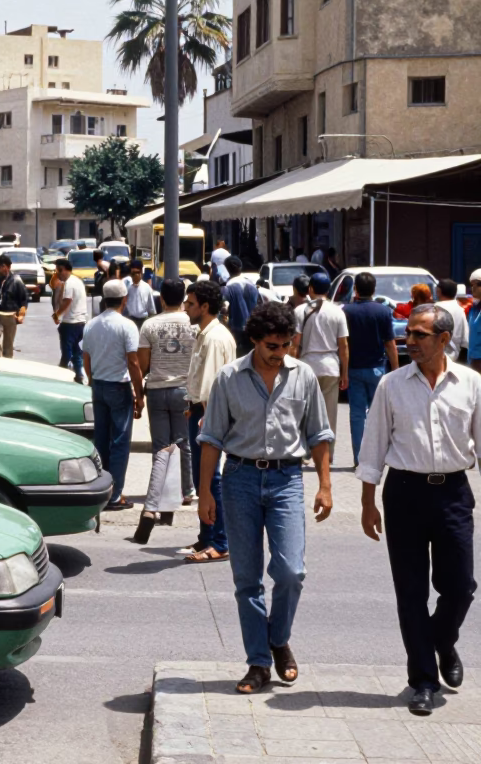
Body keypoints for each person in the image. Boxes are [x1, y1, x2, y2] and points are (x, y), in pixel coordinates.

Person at [198, 302, 334, 694]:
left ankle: (278, 639)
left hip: (286, 479)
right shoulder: (229, 377)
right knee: (247, 579)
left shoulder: (303, 375)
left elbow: (319, 434)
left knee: (292, 572)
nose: (281, 352)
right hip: (238, 478)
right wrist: (206, 492)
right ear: (255, 340)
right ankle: (258, 662)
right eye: (273, 345)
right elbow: (211, 439)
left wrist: (325, 485)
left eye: (287, 344)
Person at [358, 304, 480, 716]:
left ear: (444, 340)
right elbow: (373, 444)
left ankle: (442, 643)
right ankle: (423, 680)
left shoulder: (470, 384)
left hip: (453, 493)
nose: (409, 341)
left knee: (461, 586)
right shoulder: (391, 385)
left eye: (419, 335)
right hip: (405, 493)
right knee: (411, 592)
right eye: (408, 333)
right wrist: (367, 503)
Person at [83, 280, 145, 511]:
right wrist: (139, 395)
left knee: (101, 439)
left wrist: (92, 381)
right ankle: (115, 494)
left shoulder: (91, 325)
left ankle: (102, 488)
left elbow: (86, 359)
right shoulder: (127, 326)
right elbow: (133, 361)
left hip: (98, 385)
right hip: (118, 386)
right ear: (124, 299)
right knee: (119, 441)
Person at [184, 280, 235, 562]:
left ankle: (220, 541)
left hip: (209, 415)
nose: (186, 307)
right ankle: (207, 536)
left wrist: (204, 415)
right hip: (200, 411)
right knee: (201, 477)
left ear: (205, 306)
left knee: (211, 478)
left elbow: (213, 386)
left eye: (191, 303)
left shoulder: (215, 338)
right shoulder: (204, 334)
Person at [137, 278, 194, 526]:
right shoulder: (193, 324)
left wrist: (138, 391)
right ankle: (187, 490)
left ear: (161, 298)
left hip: (158, 390)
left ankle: (158, 495)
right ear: (184, 298)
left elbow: (142, 363)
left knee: (160, 447)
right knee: (184, 443)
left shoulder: (149, 325)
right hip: (184, 390)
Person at [343, 271, 399, 468]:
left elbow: (343, 344)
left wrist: (343, 370)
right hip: (377, 369)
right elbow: (390, 343)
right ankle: (380, 457)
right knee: (381, 415)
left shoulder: (346, 311)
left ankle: (360, 459)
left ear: (355, 289)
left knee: (357, 414)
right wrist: (396, 368)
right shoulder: (383, 312)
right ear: (374, 290)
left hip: (354, 369)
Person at [293, 272, 349, 464]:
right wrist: (344, 372)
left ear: (310, 289)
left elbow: (295, 343)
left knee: (304, 411)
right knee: (329, 414)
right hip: (330, 367)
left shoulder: (300, 311)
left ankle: (304, 452)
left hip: (306, 367)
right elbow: (343, 346)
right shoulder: (337, 312)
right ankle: (327, 454)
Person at [0, 253, 28, 358]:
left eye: (0, 266)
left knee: (8, 345)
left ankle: (7, 366)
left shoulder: (16, 281)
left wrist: (21, 315)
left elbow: (24, 300)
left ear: (6, 266)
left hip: (11, 317)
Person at [52, 258, 88, 382]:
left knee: (67, 351)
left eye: (60, 270)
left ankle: (61, 373)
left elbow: (67, 301)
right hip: (79, 322)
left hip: (71, 323)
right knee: (75, 350)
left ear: (67, 270)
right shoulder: (76, 281)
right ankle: (79, 374)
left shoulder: (70, 283)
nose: (58, 273)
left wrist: (57, 315)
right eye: (57, 271)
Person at [222, 255, 259, 356]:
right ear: (240, 267)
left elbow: (224, 308)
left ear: (227, 268)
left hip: (236, 331)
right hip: (254, 329)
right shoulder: (251, 284)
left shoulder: (228, 288)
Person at [435, 279, 468, 363]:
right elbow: (465, 339)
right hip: (456, 356)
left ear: (438, 291)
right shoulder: (460, 309)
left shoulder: (435, 308)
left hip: (437, 356)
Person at [122, 258, 155, 330]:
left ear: (141, 273)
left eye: (138, 272)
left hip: (143, 321)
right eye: (133, 273)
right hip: (130, 320)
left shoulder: (147, 288)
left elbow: (151, 310)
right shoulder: (127, 286)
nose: (136, 275)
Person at [469, 268, 481, 372]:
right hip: (473, 360)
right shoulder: (474, 308)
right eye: (472, 285)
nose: (473, 288)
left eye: (477, 284)